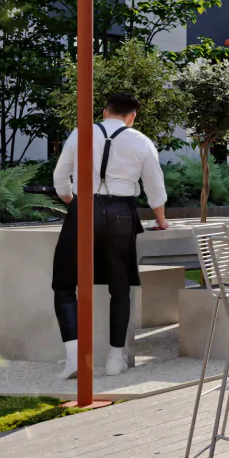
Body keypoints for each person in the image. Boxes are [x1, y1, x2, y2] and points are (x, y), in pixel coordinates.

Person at [51, 90, 169, 379]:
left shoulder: (81, 132)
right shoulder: (140, 140)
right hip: (121, 213)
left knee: (65, 284)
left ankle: (75, 357)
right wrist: (161, 219)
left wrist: (73, 201)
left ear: (104, 112)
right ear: (132, 117)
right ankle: (115, 359)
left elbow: (60, 177)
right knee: (120, 288)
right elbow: (155, 186)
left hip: (83, 209)